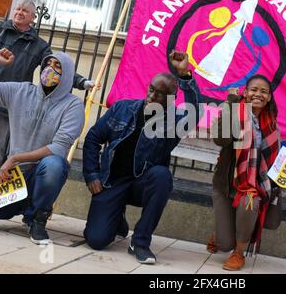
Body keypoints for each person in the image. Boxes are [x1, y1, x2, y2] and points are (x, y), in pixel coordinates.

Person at [82, 50, 203, 264]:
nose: (152, 96)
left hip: (142, 183)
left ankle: (139, 242)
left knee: (162, 176)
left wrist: (185, 75)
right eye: (151, 89)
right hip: (112, 182)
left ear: (171, 99)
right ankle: (116, 217)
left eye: (159, 94)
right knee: (97, 239)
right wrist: (92, 174)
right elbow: (93, 138)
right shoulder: (122, 108)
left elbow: (195, 113)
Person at [0, 48, 85, 245]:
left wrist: (15, 157)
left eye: (57, 66)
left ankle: (36, 218)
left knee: (54, 164)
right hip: (12, 179)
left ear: (67, 74)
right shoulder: (20, 91)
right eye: (47, 64)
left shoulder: (73, 106)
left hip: (41, 178)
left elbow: (59, 148)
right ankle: (17, 206)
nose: (50, 69)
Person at [0, 0, 94, 179]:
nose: (19, 13)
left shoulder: (39, 44)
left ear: (33, 17)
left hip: (9, 105)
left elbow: (56, 67)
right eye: (17, 9)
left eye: (24, 11)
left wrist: (82, 82)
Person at [207, 75, 282, 271]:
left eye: (264, 91)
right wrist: (231, 104)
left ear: (269, 97)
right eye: (254, 90)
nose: (258, 94)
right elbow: (220, 139)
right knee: (224, 244)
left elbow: (275, 158)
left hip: (252, 186)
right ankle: (219, 235)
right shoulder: (232, 110)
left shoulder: (272, 123)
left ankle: (238, 254)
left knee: (251, 201)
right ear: (245, 92)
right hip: (226, 183)